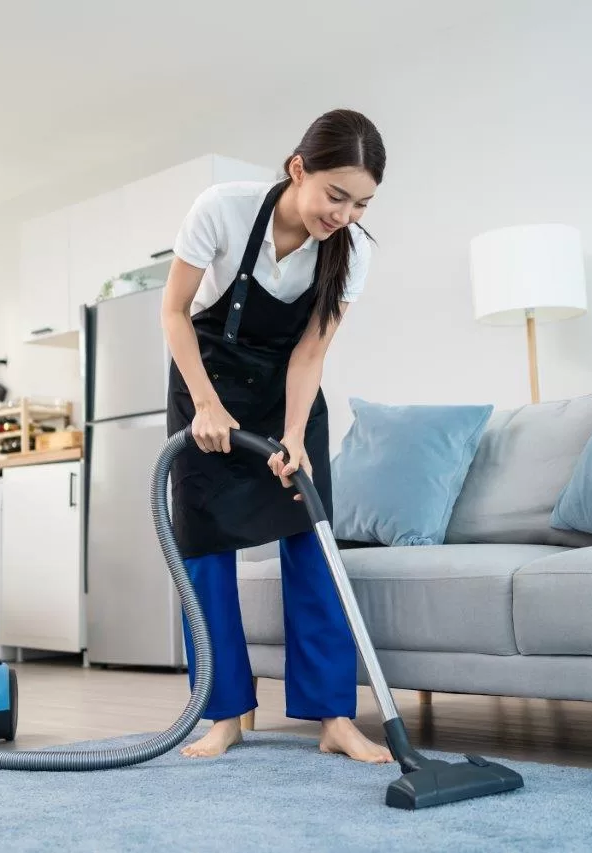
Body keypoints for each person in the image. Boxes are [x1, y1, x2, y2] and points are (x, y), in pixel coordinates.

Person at [159, 109, 390, 763]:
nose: (344, 213)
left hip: (288, 396)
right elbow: (173, 311)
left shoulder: (354, 253)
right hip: (205, 383)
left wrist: (293, 435)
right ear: (299, 170)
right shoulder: (222, 212)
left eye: (362, 202)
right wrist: (205, 404)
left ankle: (334, 716)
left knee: (312, 540)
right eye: (335, 195)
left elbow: (310, 354)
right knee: (202, 546)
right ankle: (225, 711)